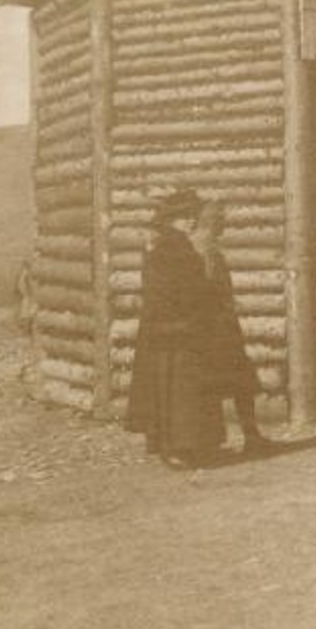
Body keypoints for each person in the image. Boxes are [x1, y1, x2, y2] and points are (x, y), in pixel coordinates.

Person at [125, 189, 227, 467]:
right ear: (171, 220)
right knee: (181, 388)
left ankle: (174, 446)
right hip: (179, 328)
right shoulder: (175, 248)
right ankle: (181, 448)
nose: (191, 222)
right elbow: (178, 290)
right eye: (185, 217)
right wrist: (204, 301)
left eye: (193, 216)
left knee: (167, 387)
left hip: (166, 328)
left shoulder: (165, 245)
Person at [192, 200, 276, 456]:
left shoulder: (200, 246)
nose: (224, 227)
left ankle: (228, 438)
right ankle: (247, 437)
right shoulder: (206, 249)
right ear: (211, 222)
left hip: (215, 325)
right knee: (238, 383)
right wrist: (224, 304)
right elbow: (208, 287)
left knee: (225, 384)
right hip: (217, 327)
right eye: (221, 221)